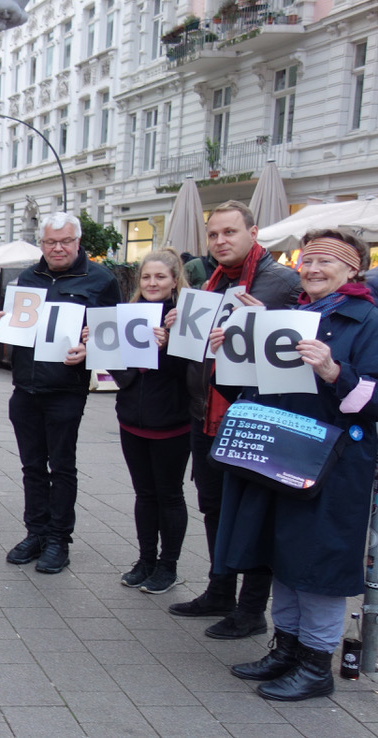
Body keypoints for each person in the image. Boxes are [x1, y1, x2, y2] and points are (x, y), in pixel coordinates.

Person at [213, 229, 378, 701]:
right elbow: (252, 389)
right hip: (281, 454)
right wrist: (231, 355)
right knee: (281, 553)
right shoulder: (294, 316)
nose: (314, 268)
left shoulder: (367, 319)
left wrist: (334, 372)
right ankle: (285, 649)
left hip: (335, 463)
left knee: (318, 562)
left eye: (328, 261)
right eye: (308, 260)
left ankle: (315, 664)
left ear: (354, 269)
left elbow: (373, 399)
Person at [168, 200, 301, 639]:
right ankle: (220, 590)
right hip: (206, 413)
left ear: (253, 232)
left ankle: (250, 610)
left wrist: (258, 323)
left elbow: (288, 348)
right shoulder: (210, 283)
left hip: (251, 417)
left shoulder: (280, 282)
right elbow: (200, 349)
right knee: (214, 508)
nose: (221, 241)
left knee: (253, 515)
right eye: (214, 234)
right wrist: (176, 328)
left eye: (230, 232)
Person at [0, 212, 121, 573]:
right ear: (42, 244)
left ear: (78, 243)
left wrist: (90, 351)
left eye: (64, 241)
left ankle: (59, 539)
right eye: (50, 242)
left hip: (66, 389)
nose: (57, 248)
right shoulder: (27, 279)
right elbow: (13, 332)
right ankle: (36, 532)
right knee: (31, 466)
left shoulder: (101, 281)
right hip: (25, 388)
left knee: (61, 467)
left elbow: (113, 338)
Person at [112, 250, 191, 595]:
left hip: (173, 422)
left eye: (160, 277)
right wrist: (103, 347)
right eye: (146, 277)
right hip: (132, 419)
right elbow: (119, 373)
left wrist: (169, 346)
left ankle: (167, 565)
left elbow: (191, 376)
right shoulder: (127, 315)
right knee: (144, 494)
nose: (152, 283)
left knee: (169, 495)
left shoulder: (186, 317)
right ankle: (145, 559)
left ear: (175, 280)